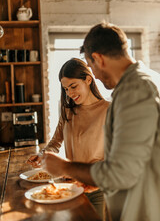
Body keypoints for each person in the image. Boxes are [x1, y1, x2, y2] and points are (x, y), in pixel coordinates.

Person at [41, 22, 160, 221]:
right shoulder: (147, 80)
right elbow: (132, 161)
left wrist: (64, 167)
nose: (94, 75)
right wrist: (97, 179)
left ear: (97, 58)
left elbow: (121, 172)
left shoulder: (135, 90)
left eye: (91, 66)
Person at [27, 58, 109, 219]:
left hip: (97, 189)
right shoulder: (68, 110)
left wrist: (73, 169)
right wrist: (44, 155)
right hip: (69, 188)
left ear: (88, 79)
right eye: (66, 89)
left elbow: (114, 159)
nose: (70, 94)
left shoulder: (109, 110)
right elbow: (56, 142)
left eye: (73, 86)